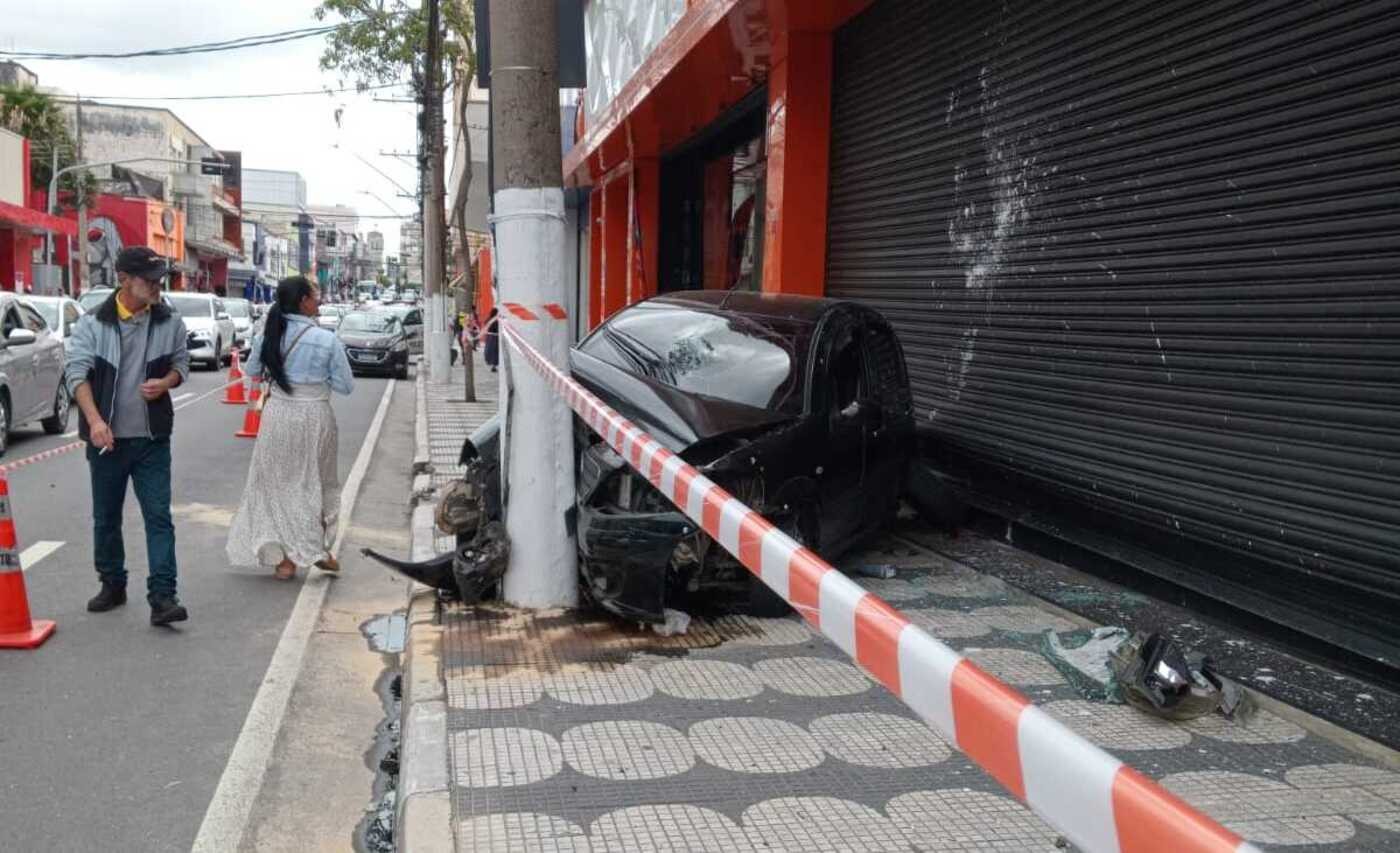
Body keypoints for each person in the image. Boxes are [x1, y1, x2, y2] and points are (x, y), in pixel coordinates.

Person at [65, 247, 191, 626]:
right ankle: (113, 583)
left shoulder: (170, 322)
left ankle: (163, 597)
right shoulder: (93, 324)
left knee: (158, 517)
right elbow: (77, 375)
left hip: (152, 439)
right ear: (124, 279)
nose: (156, 286)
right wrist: (95, 421)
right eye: (148, 279)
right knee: (106, 518)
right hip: (108, 443)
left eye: (159, 280)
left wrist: (166, 382)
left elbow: (181, 365)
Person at [226, 276, 354, 580]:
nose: (319, 300)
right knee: (314, 483)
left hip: (278, 416)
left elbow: (253, 372)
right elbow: (346, 386)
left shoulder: (268, 335)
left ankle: (284, 561)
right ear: (303, 301)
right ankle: (315, 549)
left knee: (275, 485)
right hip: (315, 418)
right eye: (315, 295)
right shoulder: (326, 339)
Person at [483, 307, 500, 372]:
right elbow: (497, 328)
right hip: (495, 337)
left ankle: (490, 362)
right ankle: (494, 366)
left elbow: (485, 324)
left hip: (489, 336)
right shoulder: (496, 320)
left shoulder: (488, 319)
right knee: (495, 351)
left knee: (489, 350)